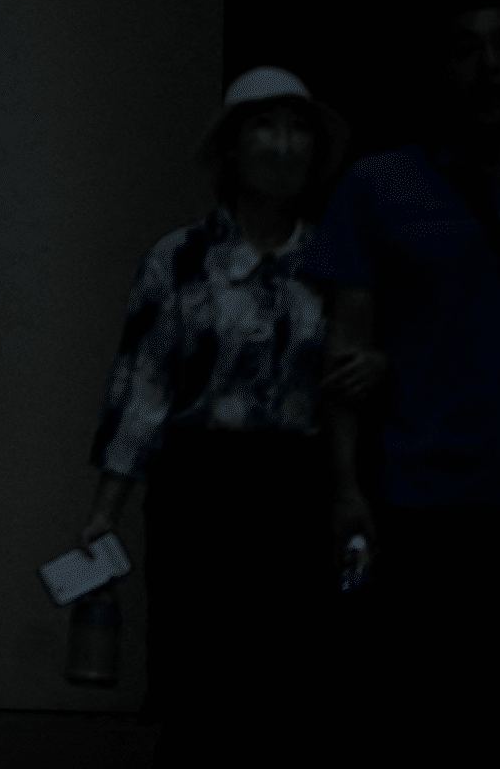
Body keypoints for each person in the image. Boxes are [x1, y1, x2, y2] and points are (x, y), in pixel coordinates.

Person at [303, 2, 500, 761]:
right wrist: (345, 489)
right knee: (426, 716)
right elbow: (343, 351)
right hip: (424, 499)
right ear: (441, 73)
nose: (489, 65)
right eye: (466, 49)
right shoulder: (380, 185)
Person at [80, 68, 349, 769]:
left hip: (295, 485)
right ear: (230, 146)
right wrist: (106, 509)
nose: (283, 145)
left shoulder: (335, 261)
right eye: (265, 126)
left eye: (298, 129)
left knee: (290, 682)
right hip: (201, 482)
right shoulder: (180, 260)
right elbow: (142, 385)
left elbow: (349, 387)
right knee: (199, 680)